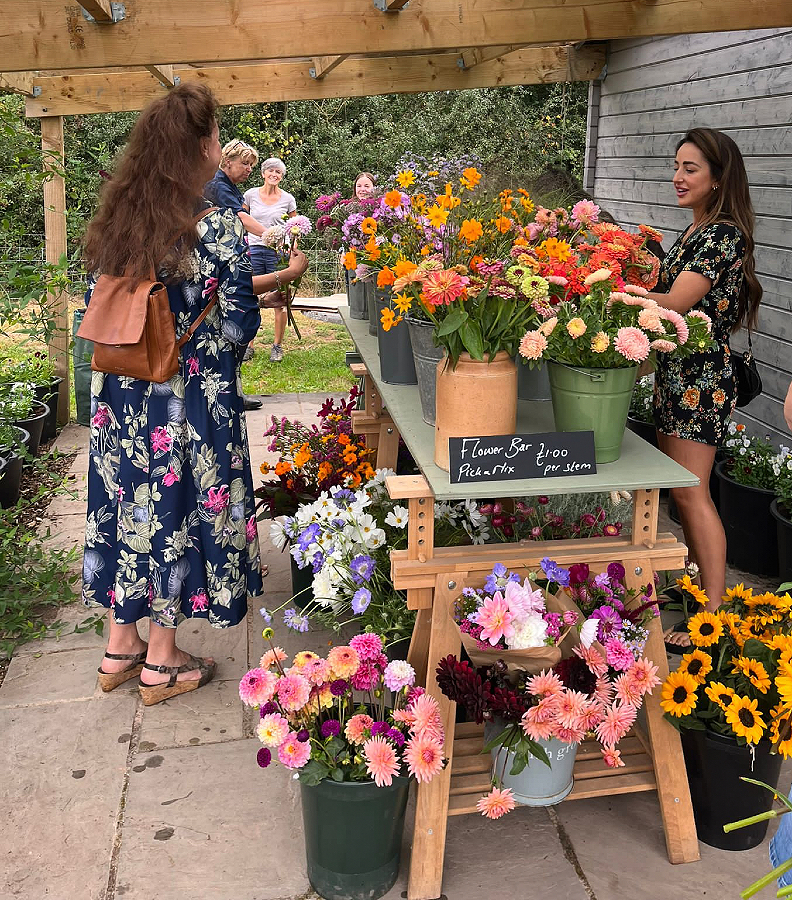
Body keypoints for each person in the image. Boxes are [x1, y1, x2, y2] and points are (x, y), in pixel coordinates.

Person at [82, 83, 306, 705]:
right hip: (187, 402)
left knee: (128, 505)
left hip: (121, 400)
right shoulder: (213, 229)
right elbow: (237, 323)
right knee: (174, 511)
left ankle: (118, 644)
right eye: (214, 137)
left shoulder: (120, 224)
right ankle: (162, 659)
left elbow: (100, 308)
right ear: (204, 146)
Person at [646, 128, 762, 649]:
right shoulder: (693, 233)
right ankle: (695, 591)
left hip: (700, 381)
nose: (678, 176)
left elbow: (675, 304)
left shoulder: (723, 236)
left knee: (693, 494)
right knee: (680, 491)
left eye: (691, 168)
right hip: (678, 376)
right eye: (676, 166)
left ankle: (710, 620)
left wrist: (623, 292)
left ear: (719, 177)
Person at [204, 139, 265, 408]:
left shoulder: (229, 186)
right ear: (226, 161)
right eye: (245, 163)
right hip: (221, 268)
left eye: (252, 164)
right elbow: (239, 219)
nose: (249, 169)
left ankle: (233, 391)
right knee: (233, 328)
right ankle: (229, 393)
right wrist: (274, 234)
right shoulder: (218, 185)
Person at [243, 157, 298, 363]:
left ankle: (277, 346)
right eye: (271, 171)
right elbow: (240, 220)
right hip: (254, 249)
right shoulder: (250, 195)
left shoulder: (288, 199)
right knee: (250, 297)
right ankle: (248, 344)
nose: (274, 175)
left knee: (279, 299)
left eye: (279, 173)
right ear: (263, 173)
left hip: (278, 252)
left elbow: (295, 228)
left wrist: (293, 252)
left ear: (282, 177)